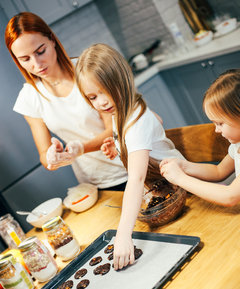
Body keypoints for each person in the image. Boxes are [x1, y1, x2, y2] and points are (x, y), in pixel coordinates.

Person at [75, 43, 184, 270]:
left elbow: (135, 179)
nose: (101, 102)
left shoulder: (134, 119)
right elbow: (158, 121)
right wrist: (120, 146)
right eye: (93, 97)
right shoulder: (121, 110)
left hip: (181, 190)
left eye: (106, 91)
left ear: (122, 80)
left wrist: (123, 235)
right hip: (162, 188)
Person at [5, 12, 128, 190]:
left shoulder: (87, 70)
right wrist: (53, 158)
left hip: (131, 165)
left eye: (40, 51)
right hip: (94, 184)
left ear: (52, 40)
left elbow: (114, 129)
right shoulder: (29, 98)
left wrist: (79, 149)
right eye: (25, 59)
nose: (37, 64)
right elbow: (44, 154)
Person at [160, 69, 240, 207]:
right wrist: (184, 166)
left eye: (220, 123)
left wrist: (180, 178)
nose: (216, 130)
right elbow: (219, 171)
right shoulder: (237, 146)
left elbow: (230, 196)